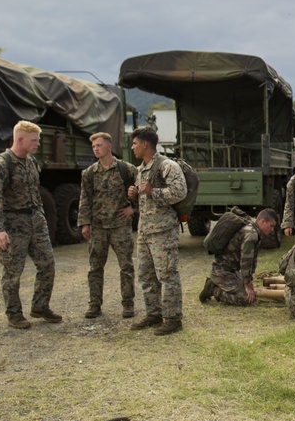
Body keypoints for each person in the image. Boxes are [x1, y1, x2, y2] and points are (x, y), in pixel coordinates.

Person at [0, 120, 61, 329]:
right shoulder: (1, 164)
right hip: (12, 224)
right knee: (13, 271)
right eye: (34, 141)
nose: (38, 144)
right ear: (20, 139)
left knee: (47, 264)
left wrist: (40, 216)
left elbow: (35, 192)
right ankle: (14, 314)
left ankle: (40, 306)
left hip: (35, 221)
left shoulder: (31, 161)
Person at [127, 126, 187, 336]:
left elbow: (180, 191)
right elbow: (144, 199)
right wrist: (134, 194)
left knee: (167, 274)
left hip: (163, 230)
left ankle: (173, 318)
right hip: (145, 230)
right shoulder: (140, 169)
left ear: (145, 144)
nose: (132, 147)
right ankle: (154, 314)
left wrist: (154, 191)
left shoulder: (167, 166)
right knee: (145, 274)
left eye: (135, 143)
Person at [77, 132, 137, 319]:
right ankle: (94, 304)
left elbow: (142, 190)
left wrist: (133, 209)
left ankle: (128, 304)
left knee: (126, 266)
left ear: (109, 147)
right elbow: (85, 198)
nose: (96, 148)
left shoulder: (126, 169)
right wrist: (85, 223)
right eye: (94, 146)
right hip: (98, 226)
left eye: (99, 145)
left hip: (120, 225)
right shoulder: (89, 173)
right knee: (95, 267)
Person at [199, 209, 278, 306]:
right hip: (222, 270)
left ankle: (217, 283)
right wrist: (247, 285)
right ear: (262, 221)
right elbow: (246, 261)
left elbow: (252, 260)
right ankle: (214, 290)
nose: (272, 230)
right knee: (245, 299)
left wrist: (249, 281)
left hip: (230, 270)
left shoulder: (254, 230)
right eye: (271, 226)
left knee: (248, 293)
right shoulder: (251, 234)